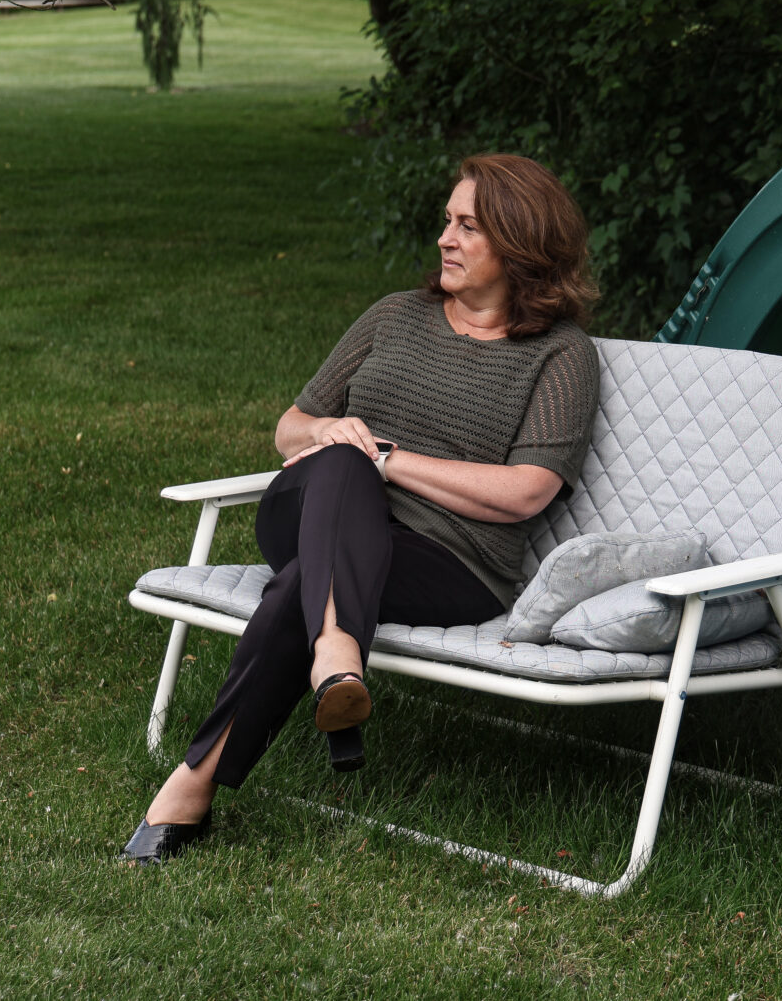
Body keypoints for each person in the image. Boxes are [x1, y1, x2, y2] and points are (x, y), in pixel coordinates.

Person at [120, 154, 601, 863]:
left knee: (298, 587)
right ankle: (339, 650)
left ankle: (191, 786)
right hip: (316, 514)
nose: (445, 237)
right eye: (447, 220)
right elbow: (291, 426)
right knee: (341, 457)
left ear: (521, 244)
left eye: (469, 226)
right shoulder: (394, 316)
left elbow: (527, 489)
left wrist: (388, 458)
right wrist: (331, 436)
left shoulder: (561, 355)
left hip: (452, 563)